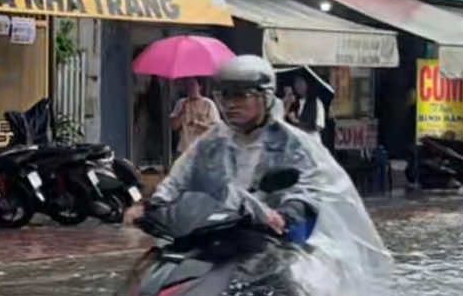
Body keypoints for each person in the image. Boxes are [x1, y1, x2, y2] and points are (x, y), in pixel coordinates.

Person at [145, 54, 385, 276]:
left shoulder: (294, 142)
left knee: (295, 282)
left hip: (276, 242)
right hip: (216, 237)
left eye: (240, 95)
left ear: (266, 96)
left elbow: (310, 187)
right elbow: (179, 176)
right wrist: (153, 205)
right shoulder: (211, 141)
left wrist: (288, 213)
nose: (230, 104)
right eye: (225, 95)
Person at [169, 76, 220, 158]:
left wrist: (198, 124)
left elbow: (215, 128)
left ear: (200, 87)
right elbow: (174, 126)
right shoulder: (181, 103)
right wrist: (182, 112)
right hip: (184, 149)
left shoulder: (208, 104)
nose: (190, 88)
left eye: (192, 85)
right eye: (187, 85)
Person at [284, 73, 327, 138]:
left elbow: (318, 126)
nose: (298, 86)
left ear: (307, 84)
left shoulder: (316, 102)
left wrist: (297, 122)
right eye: (296, 83)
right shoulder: (294, 102)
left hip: (311, 142)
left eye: (301, 82)